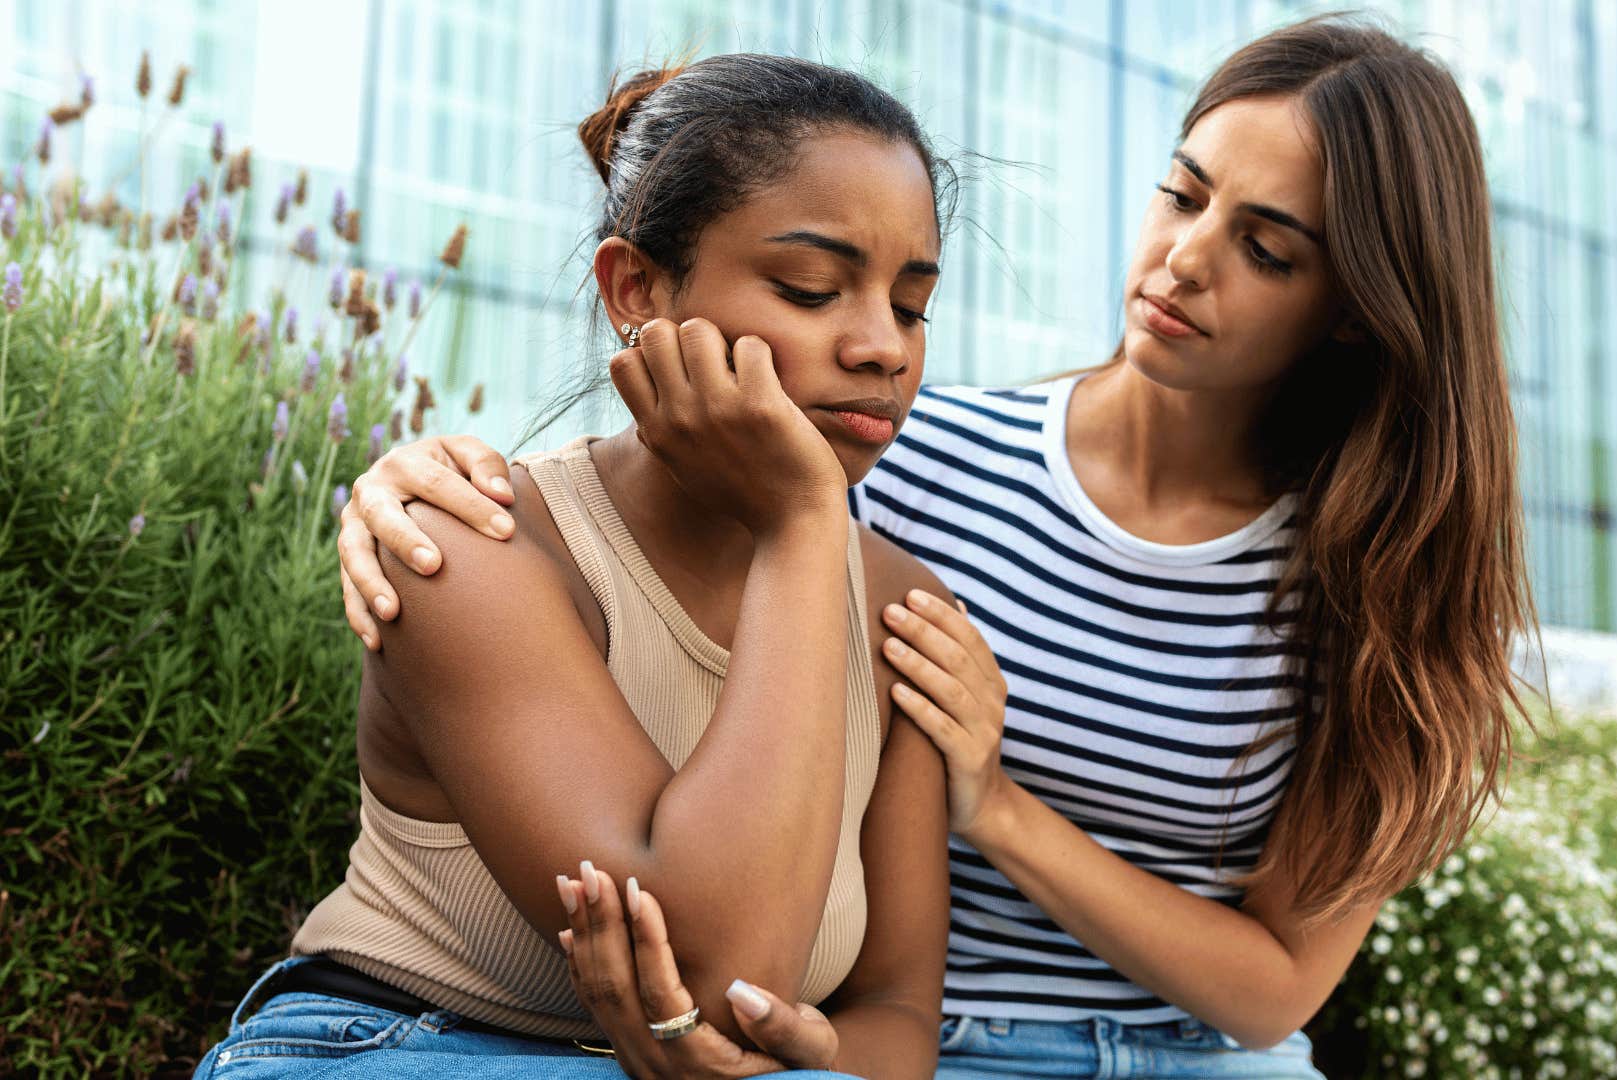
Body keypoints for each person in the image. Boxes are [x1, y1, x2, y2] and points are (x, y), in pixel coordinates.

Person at [336, 16, 1539, 1078]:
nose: (1182, 258)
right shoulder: (892, 461)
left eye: (1269, 249)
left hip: (1200, 1056)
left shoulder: (1391, 592)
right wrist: (404, 479)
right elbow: (667, 498)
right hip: (951, 1044)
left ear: (1357, 312)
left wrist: (996, 802)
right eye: (1182, 194)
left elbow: (1275, 982)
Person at [198, 54, 967, 1080]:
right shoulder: (469, 543)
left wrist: (799, 1058)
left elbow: (899, 1018)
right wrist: (801, 523)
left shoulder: (902, 610)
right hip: (398, 1047)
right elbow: (712, 967)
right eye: (812, 289)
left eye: (912, 306)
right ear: (635, 289)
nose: (883, 347)